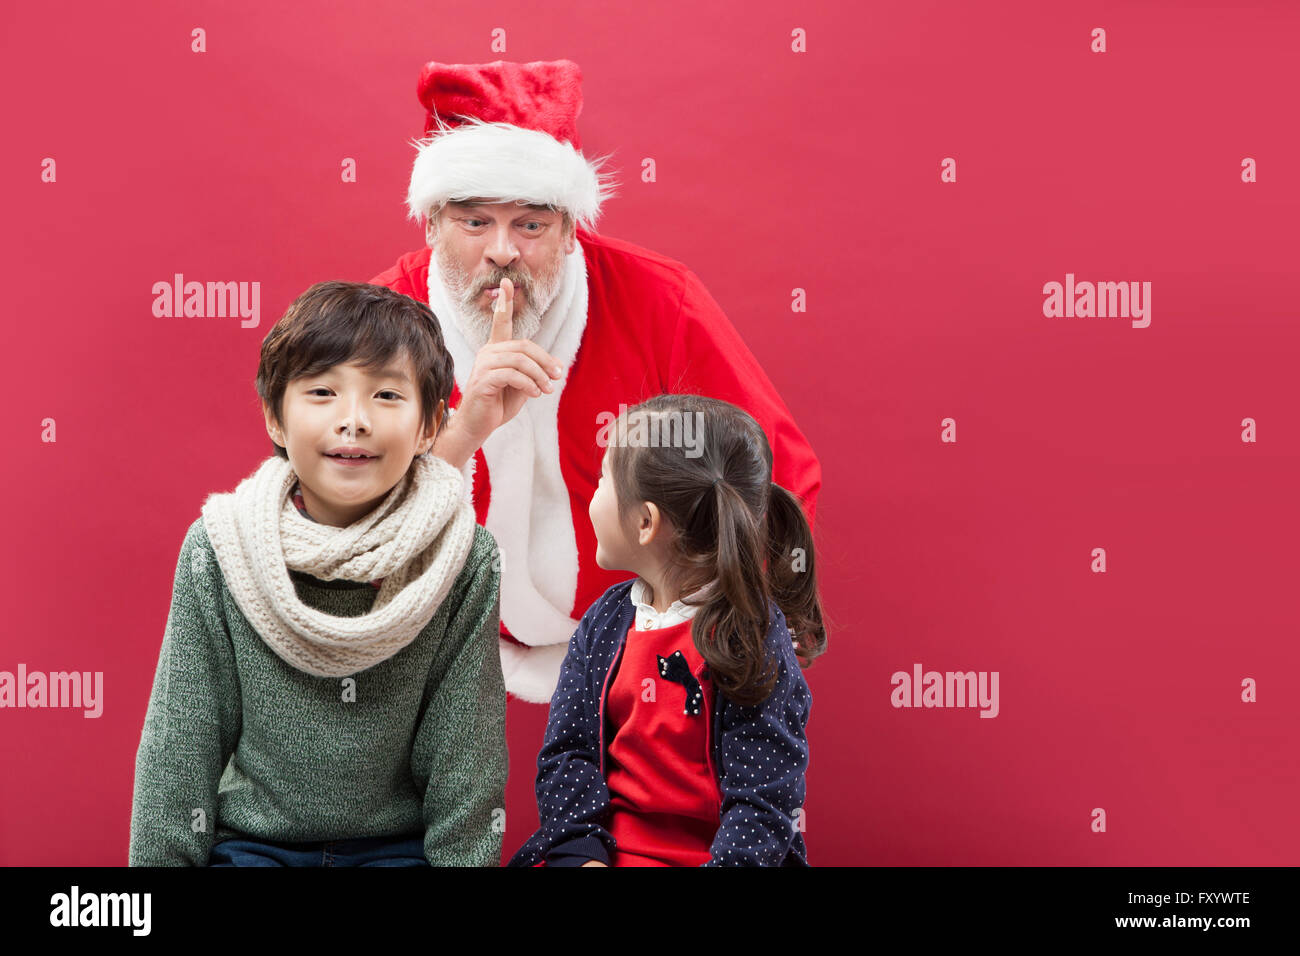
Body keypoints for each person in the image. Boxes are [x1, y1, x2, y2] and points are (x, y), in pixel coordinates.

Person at [370, 58, 824, 703]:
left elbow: (776, 471)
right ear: (432, 222)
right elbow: (339, 506)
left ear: (569, 229)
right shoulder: (379, 318)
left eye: (531, 224)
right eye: (475, 222)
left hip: (637, 661)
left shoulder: (659, 300)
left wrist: (718, 633)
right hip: (432, 656)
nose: (504, 251)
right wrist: (461, 428)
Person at [128, 281, 507, 866]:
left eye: (385, 395)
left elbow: (467, 760)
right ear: (275, 419)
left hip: (396, 852)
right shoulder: (221, 546)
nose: (353, 420)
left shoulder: (461, 558)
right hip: (255, 848)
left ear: (431, 425)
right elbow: (181, 747)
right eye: (323, 391)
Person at [508, 394, 828, 866]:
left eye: (601, 482)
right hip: (606, 854)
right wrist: (582, 855)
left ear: (644, 523)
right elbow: (567, 757)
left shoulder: (753, 639)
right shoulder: (602, 624)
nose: (592, 497)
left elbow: (763, 804)